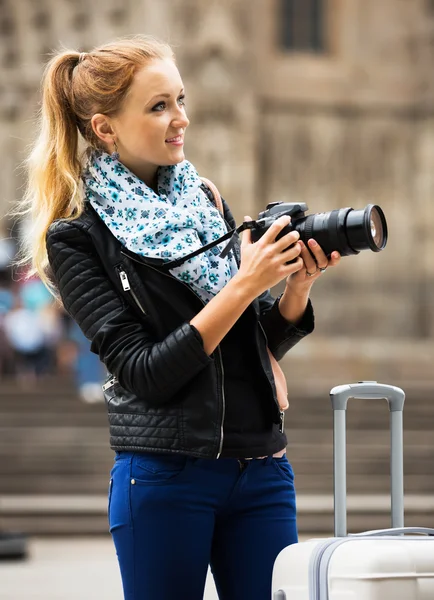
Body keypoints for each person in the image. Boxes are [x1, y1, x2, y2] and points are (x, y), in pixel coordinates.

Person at [19, 36, 341, 600]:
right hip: (165, 476)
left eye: (181, 100)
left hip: (262, 466)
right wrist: (244, 283)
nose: (181, 119)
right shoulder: (75, 237)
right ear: (105, 129)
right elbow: (145, 372)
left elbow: (253, 339)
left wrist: (295, 285)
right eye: (158, 106)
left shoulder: (203, 201)